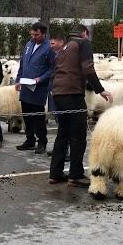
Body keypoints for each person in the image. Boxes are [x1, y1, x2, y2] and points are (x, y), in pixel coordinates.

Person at [49, 25, 113, 187]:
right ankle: (75, 175)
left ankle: (55, 173)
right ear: (85, 33)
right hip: (73, 94)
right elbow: (87, 68)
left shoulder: (64, 47)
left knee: (63, 134)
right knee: (78, 135)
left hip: (58, 93)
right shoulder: (83, 44)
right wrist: (100, 90)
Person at [14, 22, 55, 154]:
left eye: (36, 35)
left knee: (38, 116)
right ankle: (29, 139)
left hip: (38, 88)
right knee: (27, 114)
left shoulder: (49, 48)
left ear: (44, 34)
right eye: (32, 34)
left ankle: (42, 141)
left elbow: (52, 69)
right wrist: (18, 79)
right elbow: (23, 63)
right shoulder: (28, 44)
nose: (34, 37)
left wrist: (41, 79)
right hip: (26, 86)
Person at [47, 34, 70, 162]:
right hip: (54, 91)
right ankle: (60, 149)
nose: (51, 46)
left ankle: (65, 150)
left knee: (64, 124)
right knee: (58, 121)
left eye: (53, 43)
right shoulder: (55, 55)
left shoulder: (66, 55)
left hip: (61, 92)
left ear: (61, 42)